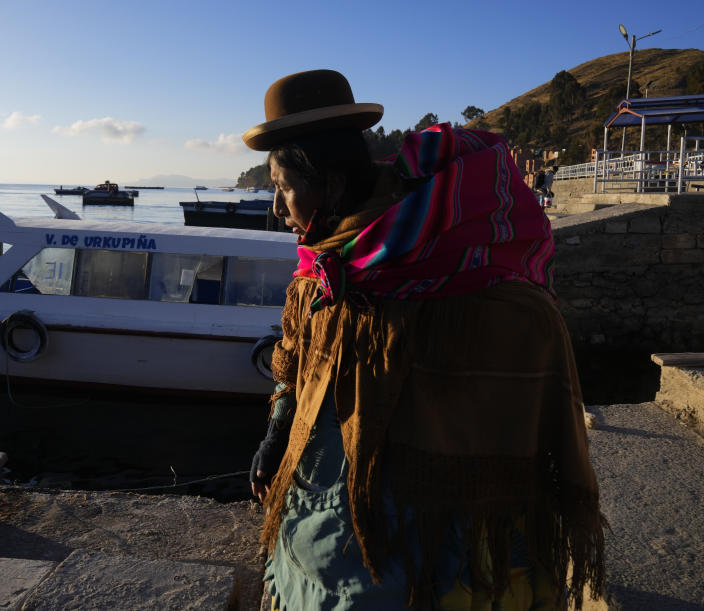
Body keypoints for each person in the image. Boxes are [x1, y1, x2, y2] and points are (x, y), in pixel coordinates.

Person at [244, 70, 605, 610]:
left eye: (283, 187)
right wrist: (278, 431)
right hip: (330, 511)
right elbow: (296, 357)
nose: (276, 208)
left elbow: (533, 340)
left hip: (452, 533)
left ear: (332, 183)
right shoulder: (326, 265)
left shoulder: (470, 278)